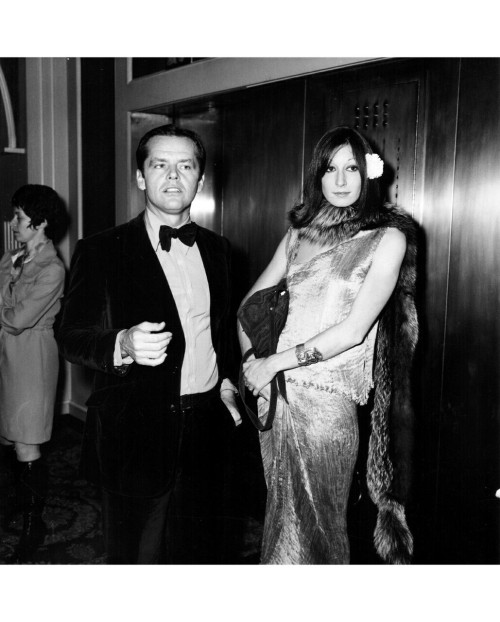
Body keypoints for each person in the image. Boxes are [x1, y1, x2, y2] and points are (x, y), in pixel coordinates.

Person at [57, 124, 240, 564]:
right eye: (160, 165)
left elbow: (222, 332)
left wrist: (230, 383)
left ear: (200, 179)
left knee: (201, 555)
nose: (173, 177)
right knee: (137, 560)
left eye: (186, 166)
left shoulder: (221, 251)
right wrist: (121, 342)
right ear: (141, 177)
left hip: (206, 429)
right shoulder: (101, 249)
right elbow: (69, 335)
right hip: (133, 435)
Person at [239, 126, 418, 564]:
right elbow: (248, 307)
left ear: (368, 174)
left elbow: (354, 330)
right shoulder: (298, 235)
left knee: (318, 533)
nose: (340, 180)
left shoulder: (387, 239)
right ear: (317, 177)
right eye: (330, 168)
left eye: (351, 168)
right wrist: (251, 365)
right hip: (274, 399)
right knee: (281, 524)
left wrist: (273, 363)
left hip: (326, 407)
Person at [0, 184, 67, 563]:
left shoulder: (52, 269)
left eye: (19, 218)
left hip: (32, 359)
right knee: (10, 438)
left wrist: (6, 304)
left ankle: (33, 524)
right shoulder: (11, 258)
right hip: (8, 356)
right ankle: (22, 503)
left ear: (39, 223)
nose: (13, 223)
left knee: (27, 441)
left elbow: (16, 320)